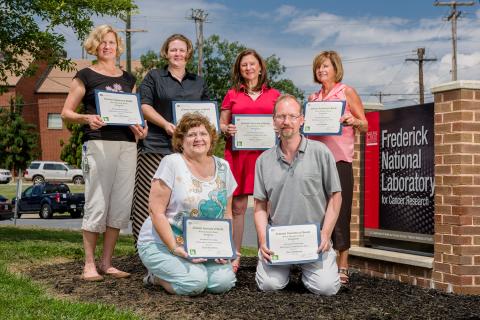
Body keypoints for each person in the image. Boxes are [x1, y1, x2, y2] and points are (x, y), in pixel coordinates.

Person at [61, 25, 147, 281]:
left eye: (111, 42)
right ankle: (89, 264)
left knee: (119, 205)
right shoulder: (85, 75)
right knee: (97, 202)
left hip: (127, 146)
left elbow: (134, 113)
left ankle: (107, 262)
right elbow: (66, 112)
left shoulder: (128, 78)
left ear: (117, 46)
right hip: (98, 143)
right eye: (102, 43)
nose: (107, 46)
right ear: (95, 46)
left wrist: (139, 127)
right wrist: (87, 118)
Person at [137, 113, 237, 296]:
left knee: (223, 283)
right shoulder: (172, 163)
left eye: (203, 133)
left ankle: (193, 271)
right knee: (194, 283)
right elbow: (156, 211)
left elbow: (227, 214)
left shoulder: (223, 167)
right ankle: (156, 277)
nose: (198, 138)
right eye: (191, 135)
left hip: (204, 245)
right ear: (181, 141)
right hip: (162, 242)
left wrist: (224, 247)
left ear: (211, 138)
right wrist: (174, 248)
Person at [253, 94, 342, 295]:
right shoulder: (263, 160)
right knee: (269, 285)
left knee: (327, 288)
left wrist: (325, 234)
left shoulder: (321, 152)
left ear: (302, 119)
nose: (287, 122)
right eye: (281, 116)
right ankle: (286, 269)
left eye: (292, 116)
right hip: (278, 241)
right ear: (274, 120)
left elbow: (335, 197)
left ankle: (308, 271)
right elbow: (259, 206)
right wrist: (262, 239)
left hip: (314, 240)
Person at [132, 34, 210, 245]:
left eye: (181, 50)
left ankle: (185, 245)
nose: (177, 54)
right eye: (173, 49)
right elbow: (144, 105)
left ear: (188, 54)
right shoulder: (154, 77)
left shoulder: (198, 82)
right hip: (156, 147)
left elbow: (207, 114)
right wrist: (165, 124)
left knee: (186, 200)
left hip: (189, 153)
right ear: (166, 52)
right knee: (149, 201)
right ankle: (146, 250)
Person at [308, 50, 368, 284]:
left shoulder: (346, 92)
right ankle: (320, 259)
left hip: (340, 160)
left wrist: (353, 120)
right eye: (318, 67)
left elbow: (365, 123)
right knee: (318, 211)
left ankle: (343, 263)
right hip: (315, 162)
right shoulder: (313, 98)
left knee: (341, 213)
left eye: (326, 66)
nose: (321, 70)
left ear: (335, 69)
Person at [219, 49, 280, 272]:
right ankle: (235, 254)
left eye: (252, 64)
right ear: (239, 69)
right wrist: (227, 129)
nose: (248, 68)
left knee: (269, 205)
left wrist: (277, 127)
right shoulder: (231, 94)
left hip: (267, 158)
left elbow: (283, 121)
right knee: (238, 206)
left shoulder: (275, 95)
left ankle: (268, 253)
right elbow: (222, 124)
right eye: (244, 65)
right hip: (239, 156)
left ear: (260, 67)